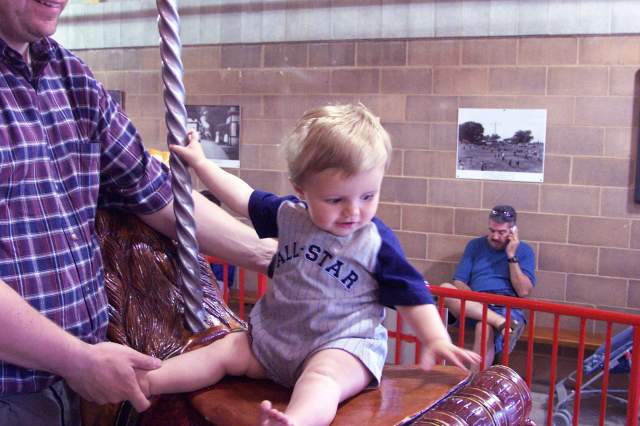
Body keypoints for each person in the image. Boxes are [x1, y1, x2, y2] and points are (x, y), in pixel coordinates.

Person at [0, 2, 275, 425]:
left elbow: (156, 190)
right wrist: (76, 360)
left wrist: (272, 257)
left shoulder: (68, 76)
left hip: (81, 381)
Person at [139, 104, 481, 426]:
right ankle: (147, 381)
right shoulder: (289, 215)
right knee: (224, 350)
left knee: (323, 378)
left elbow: (411, 292)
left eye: (368, 196)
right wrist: (201, 164)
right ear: (300, 189)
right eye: (336, 200)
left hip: (342, 345)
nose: (353, 211)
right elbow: (241, 198)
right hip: (275, 340)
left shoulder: (374, 241)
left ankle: (298, 420)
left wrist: (435, 337)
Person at [440, 205, 536, 368]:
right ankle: (501, 322)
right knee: (445, 288)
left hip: (505, 307)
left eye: (501, 232)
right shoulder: (475, 246)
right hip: (475, 304)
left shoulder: (524, 251)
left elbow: (523, 291)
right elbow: (459, 282)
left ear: (512, 231)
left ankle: (474, 386)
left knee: (483, 327)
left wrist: (511, 256)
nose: (495, 236)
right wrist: (476, 303)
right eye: (492, 230)